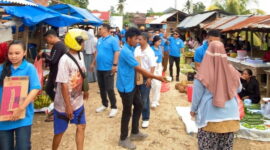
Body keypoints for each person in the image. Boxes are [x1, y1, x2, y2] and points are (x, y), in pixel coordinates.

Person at [117, 27, 165, 150]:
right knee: (127, 112)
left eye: (139, 39)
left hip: (131, 84)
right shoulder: (126, 52)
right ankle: (123, 139)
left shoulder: (132, 48)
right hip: (125, 86)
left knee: (138, 105)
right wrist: (155, 77)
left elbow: (141, 52)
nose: (137, 41)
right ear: (128, 39)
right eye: (135, 39)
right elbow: (139, 69)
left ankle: (134, 132)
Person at [190, 41, 241, 150]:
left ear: (208, 52)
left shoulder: (203, 72)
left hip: (211, 117)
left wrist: (193, 110)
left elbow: (197, 96)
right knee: (225, 146)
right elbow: (239, 88)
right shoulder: (232, 69)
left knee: (207, 146)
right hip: (231, 116)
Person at [0, 40, 41, 150]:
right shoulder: (1, 69)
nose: (13, 56)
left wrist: (20, 108)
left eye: (17, 53)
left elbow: (35, 88)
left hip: (23, 117)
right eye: (10, 53)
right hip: (4, 118)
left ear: (24, 53)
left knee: (23, 147)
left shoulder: (29, 68)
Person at [52, 29, 89, 150]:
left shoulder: (80, 55)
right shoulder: (64, 60)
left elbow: (82, 72)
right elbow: (63, 84)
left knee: (81, 126)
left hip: (77, 101)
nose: (83, 44)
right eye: (81, 42)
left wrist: (86, 89)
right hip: (63, 104)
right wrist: (68, 106)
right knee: (60, 132)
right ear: (75, 42)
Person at [91, 24, 120, 117]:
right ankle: (104, 104)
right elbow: (97, 52)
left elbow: (117, 52)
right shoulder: (99, 40)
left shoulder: (113, 40)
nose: (99, 30)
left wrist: (115, 65)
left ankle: (114, 107)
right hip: (99, 68)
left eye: (101, 29)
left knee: (110, 88)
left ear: (106, 30)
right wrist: (93, 63)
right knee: (102, 87)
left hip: (109, 68)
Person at [134, 32, 156, 128]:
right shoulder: (137, 49)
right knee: (137, 97)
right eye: (137, 39)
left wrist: (150, 78)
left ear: (145, 40)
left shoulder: (150, 52)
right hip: (136, 75)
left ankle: (146, 118)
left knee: (145, 98)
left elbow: (152, 66)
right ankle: (137, 114)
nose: (138, 41)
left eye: (140, 39)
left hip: (146, 76)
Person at [151, 36, 163, 108]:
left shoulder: (160, 48)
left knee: (159, 83)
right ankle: (152, 101)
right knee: (154, 83)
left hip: (159, 65)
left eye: (160, 41)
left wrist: (161, 66)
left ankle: (156, 100)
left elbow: (161, 57)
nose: (159, 43)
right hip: (153, 66)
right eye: (158, 41)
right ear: (154, 41)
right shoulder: (151, 49)